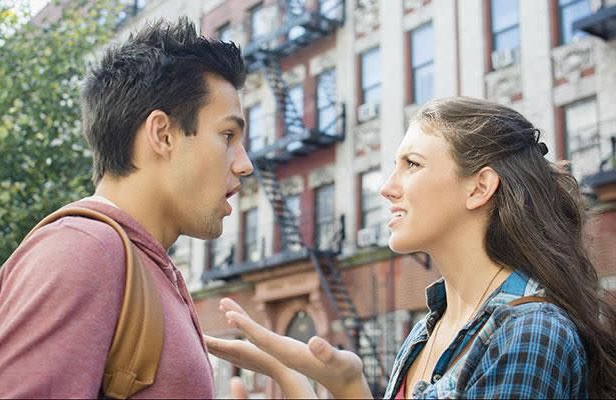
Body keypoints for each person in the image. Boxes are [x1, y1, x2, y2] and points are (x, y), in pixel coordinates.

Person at [206, 96, 616, 399]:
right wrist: (323, 382)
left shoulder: (530, 333)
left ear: (480, 187)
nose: (387, 188)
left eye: (412, 165)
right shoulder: (426, 331)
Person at [0, 18, 254, 398]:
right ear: (162, 135)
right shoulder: (84, 250)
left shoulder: (139, 263)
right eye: (228, 135)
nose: (244, 164)